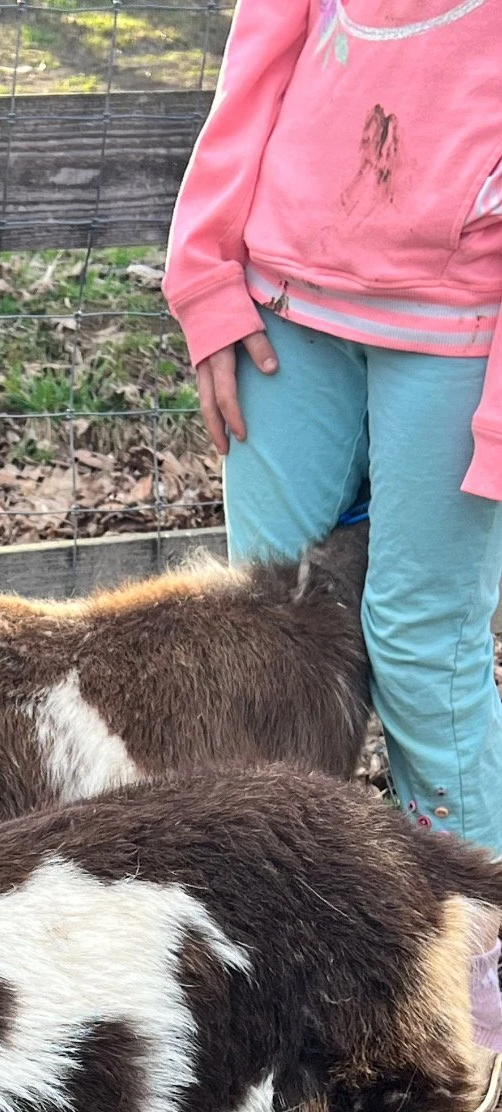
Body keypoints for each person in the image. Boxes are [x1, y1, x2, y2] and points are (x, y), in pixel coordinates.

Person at [162, 0, 502, 1051]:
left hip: (460, 332)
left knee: (419, 639)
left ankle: (469, 954)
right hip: (284, 316)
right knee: (262, 640)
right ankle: (271, 944)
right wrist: (210, 280)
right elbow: (254, 70)